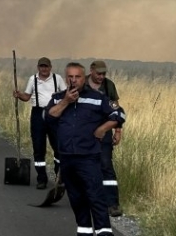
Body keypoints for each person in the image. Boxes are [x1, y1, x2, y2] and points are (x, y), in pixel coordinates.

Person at [46, 62, 126, 236]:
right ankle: (84, 232)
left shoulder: (97, 97)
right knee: (76, 199)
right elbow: (49, 117)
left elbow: (119, 114)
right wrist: (66, 101)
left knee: (96, 197)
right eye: (70, 77)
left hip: (88, 158)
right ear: (66, 78)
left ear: (85, 78)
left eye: (77, 77)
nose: (74, 80)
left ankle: (104, 232)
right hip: (67, 158)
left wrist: (102, 129)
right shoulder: (58, 98)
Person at [13, 57, 67, 189]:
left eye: (46, 66)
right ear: (38, 67)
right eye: (42, 66)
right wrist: (19, 95)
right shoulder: (33, 79)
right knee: (38, 147)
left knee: (58, 146)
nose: (44, 69)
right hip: (38, 114)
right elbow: (27, 96)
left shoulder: (57, 79)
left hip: (55, 114)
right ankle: (41, 178)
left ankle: (59, 176)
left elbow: (66, 95)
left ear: (50, 67)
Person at [88, 60, 123, 217]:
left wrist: (118, 130)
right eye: (98, 74)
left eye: (103, 74)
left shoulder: (109, 86)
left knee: (106, 165)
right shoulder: (81, 84)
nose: (101, 76)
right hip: (85, 133)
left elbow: (116, 110)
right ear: (91, 71)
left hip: (104, 131)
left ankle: (112, 203)